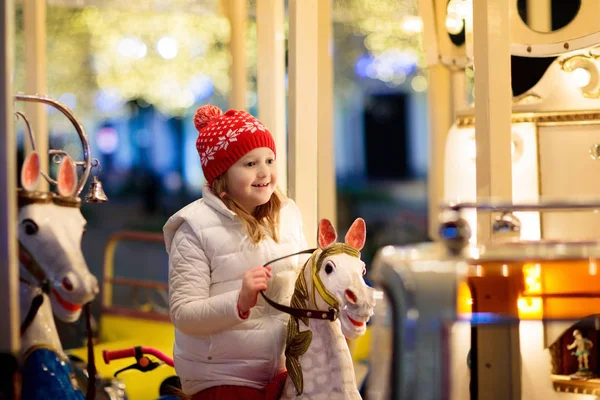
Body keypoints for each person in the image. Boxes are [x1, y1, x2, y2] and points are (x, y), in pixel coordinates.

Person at [163, 104, 307, 400]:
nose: (264, 171)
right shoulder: (194, 228)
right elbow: (183, 313)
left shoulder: (289, 215)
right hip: (222, 378)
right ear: (221, 176)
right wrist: (239, 302)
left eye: (269, 159)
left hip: (284, 369)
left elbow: (304, 279)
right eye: (250, 164)